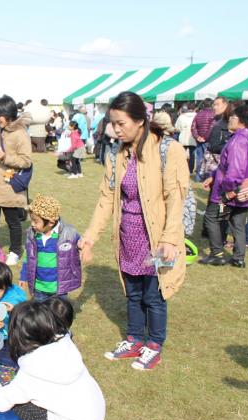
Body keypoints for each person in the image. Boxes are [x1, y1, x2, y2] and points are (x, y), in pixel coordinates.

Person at [81, 91, 189, 371]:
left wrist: (169, 239)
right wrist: (91, 236)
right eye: (113, 124)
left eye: (121, 123)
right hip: (128, 236)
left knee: (154, 293)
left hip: (157, 237)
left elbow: (176, 198)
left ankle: (154, 345)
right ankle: (134, 339)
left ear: (140, 120)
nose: (115, 129)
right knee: (132, 292)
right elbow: (107, 197)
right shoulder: (117, 153)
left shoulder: (168, 150)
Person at [201, 105, 248, 268]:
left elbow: (235, 170)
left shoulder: (239, 141)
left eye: (233, 117)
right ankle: (239, 258)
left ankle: (217, 254)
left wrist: (227, 190)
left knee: (211, 217)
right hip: (246, 189)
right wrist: (214, 176)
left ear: (241, 121)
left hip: (231, 189)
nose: (230, 119)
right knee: (238, 222)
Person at [0, 95, 32, 266]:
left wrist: (5, 157)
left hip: (8, 185)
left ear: (9, 114)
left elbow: (26, 161)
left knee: (13, 222)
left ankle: (16, 251)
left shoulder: (20, 133)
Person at [20, 195, 82, 301]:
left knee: (59, 315)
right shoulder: (33, 234)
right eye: (32, 220)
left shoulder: (68, 233)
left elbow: (81, 244)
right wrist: (23, 276)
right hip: (39, 288)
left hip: (59, 289)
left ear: (51, 222)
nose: (32, 224)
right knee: (41, 316)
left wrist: (85, 249)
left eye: (36, 221)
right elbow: (28, 257)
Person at [191, 98, 215, 180]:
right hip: (208, 140)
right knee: (209, 159)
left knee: (199, 158)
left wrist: (197, 137)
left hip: (199, 140)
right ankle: (207, 177)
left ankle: (198, 177)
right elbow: (211, 128)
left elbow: (193, 127)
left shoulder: (198, 114)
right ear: (212, 105)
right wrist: (205, 137)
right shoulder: (213, 114)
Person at [175, 102, 197, 173]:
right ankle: (190, 170)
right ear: (195, 108)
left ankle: (182, 169)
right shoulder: (196, 116)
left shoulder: (181, 116)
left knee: (182, 155)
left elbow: (177, 128)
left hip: (183, 138)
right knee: (192, 155)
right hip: (193, 138)